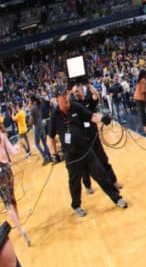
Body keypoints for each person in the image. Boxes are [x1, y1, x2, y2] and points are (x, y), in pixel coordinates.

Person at [47, 84, 127, 217]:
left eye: (66, 94)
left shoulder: (76, 107)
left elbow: (91, 116)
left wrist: (102, 118)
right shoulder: (55, 116)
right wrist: (54, 154)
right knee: (74, 183)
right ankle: (76, 205)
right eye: (62, 96)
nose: (66, 98)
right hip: (71, 157)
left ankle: (117, 198)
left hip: (86, 151)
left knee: (101, 175)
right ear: (56, 99)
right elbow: (50, 137)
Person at [71, 83, 122, 195]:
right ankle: (87, 185)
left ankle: (113, 181)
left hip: (94, 136)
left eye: (77, 91)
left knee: (103, 160)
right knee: (85, 166)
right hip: (83, 141)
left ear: (81, 89)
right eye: (74, 92)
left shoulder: (88, 100)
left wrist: (88, 85)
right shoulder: (74, 105)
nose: (76, 93)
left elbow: (96, 95)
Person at [0, 123, 30, 246]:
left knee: (7, 204)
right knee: (13, 200)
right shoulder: (2, 135)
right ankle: (20, 226)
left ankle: (20, 229)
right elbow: (13, 152)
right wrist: (18, 146)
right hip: (7, 169)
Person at [28, 96, 51, 166]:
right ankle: (49, 155)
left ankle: (45, 157)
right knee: (44, 142)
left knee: (37, 144)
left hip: (37, 127)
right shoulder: (39, 105)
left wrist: (29, 123)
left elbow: (31, 122)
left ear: (32, 101)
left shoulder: (32, 108)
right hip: (42, 125)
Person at [133, 69, 146, 135]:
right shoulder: (143, 80)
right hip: (140, 98)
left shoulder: (139, 80)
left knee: (142, 113)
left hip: (137, 98)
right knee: (143, 114)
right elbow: (143, 90)